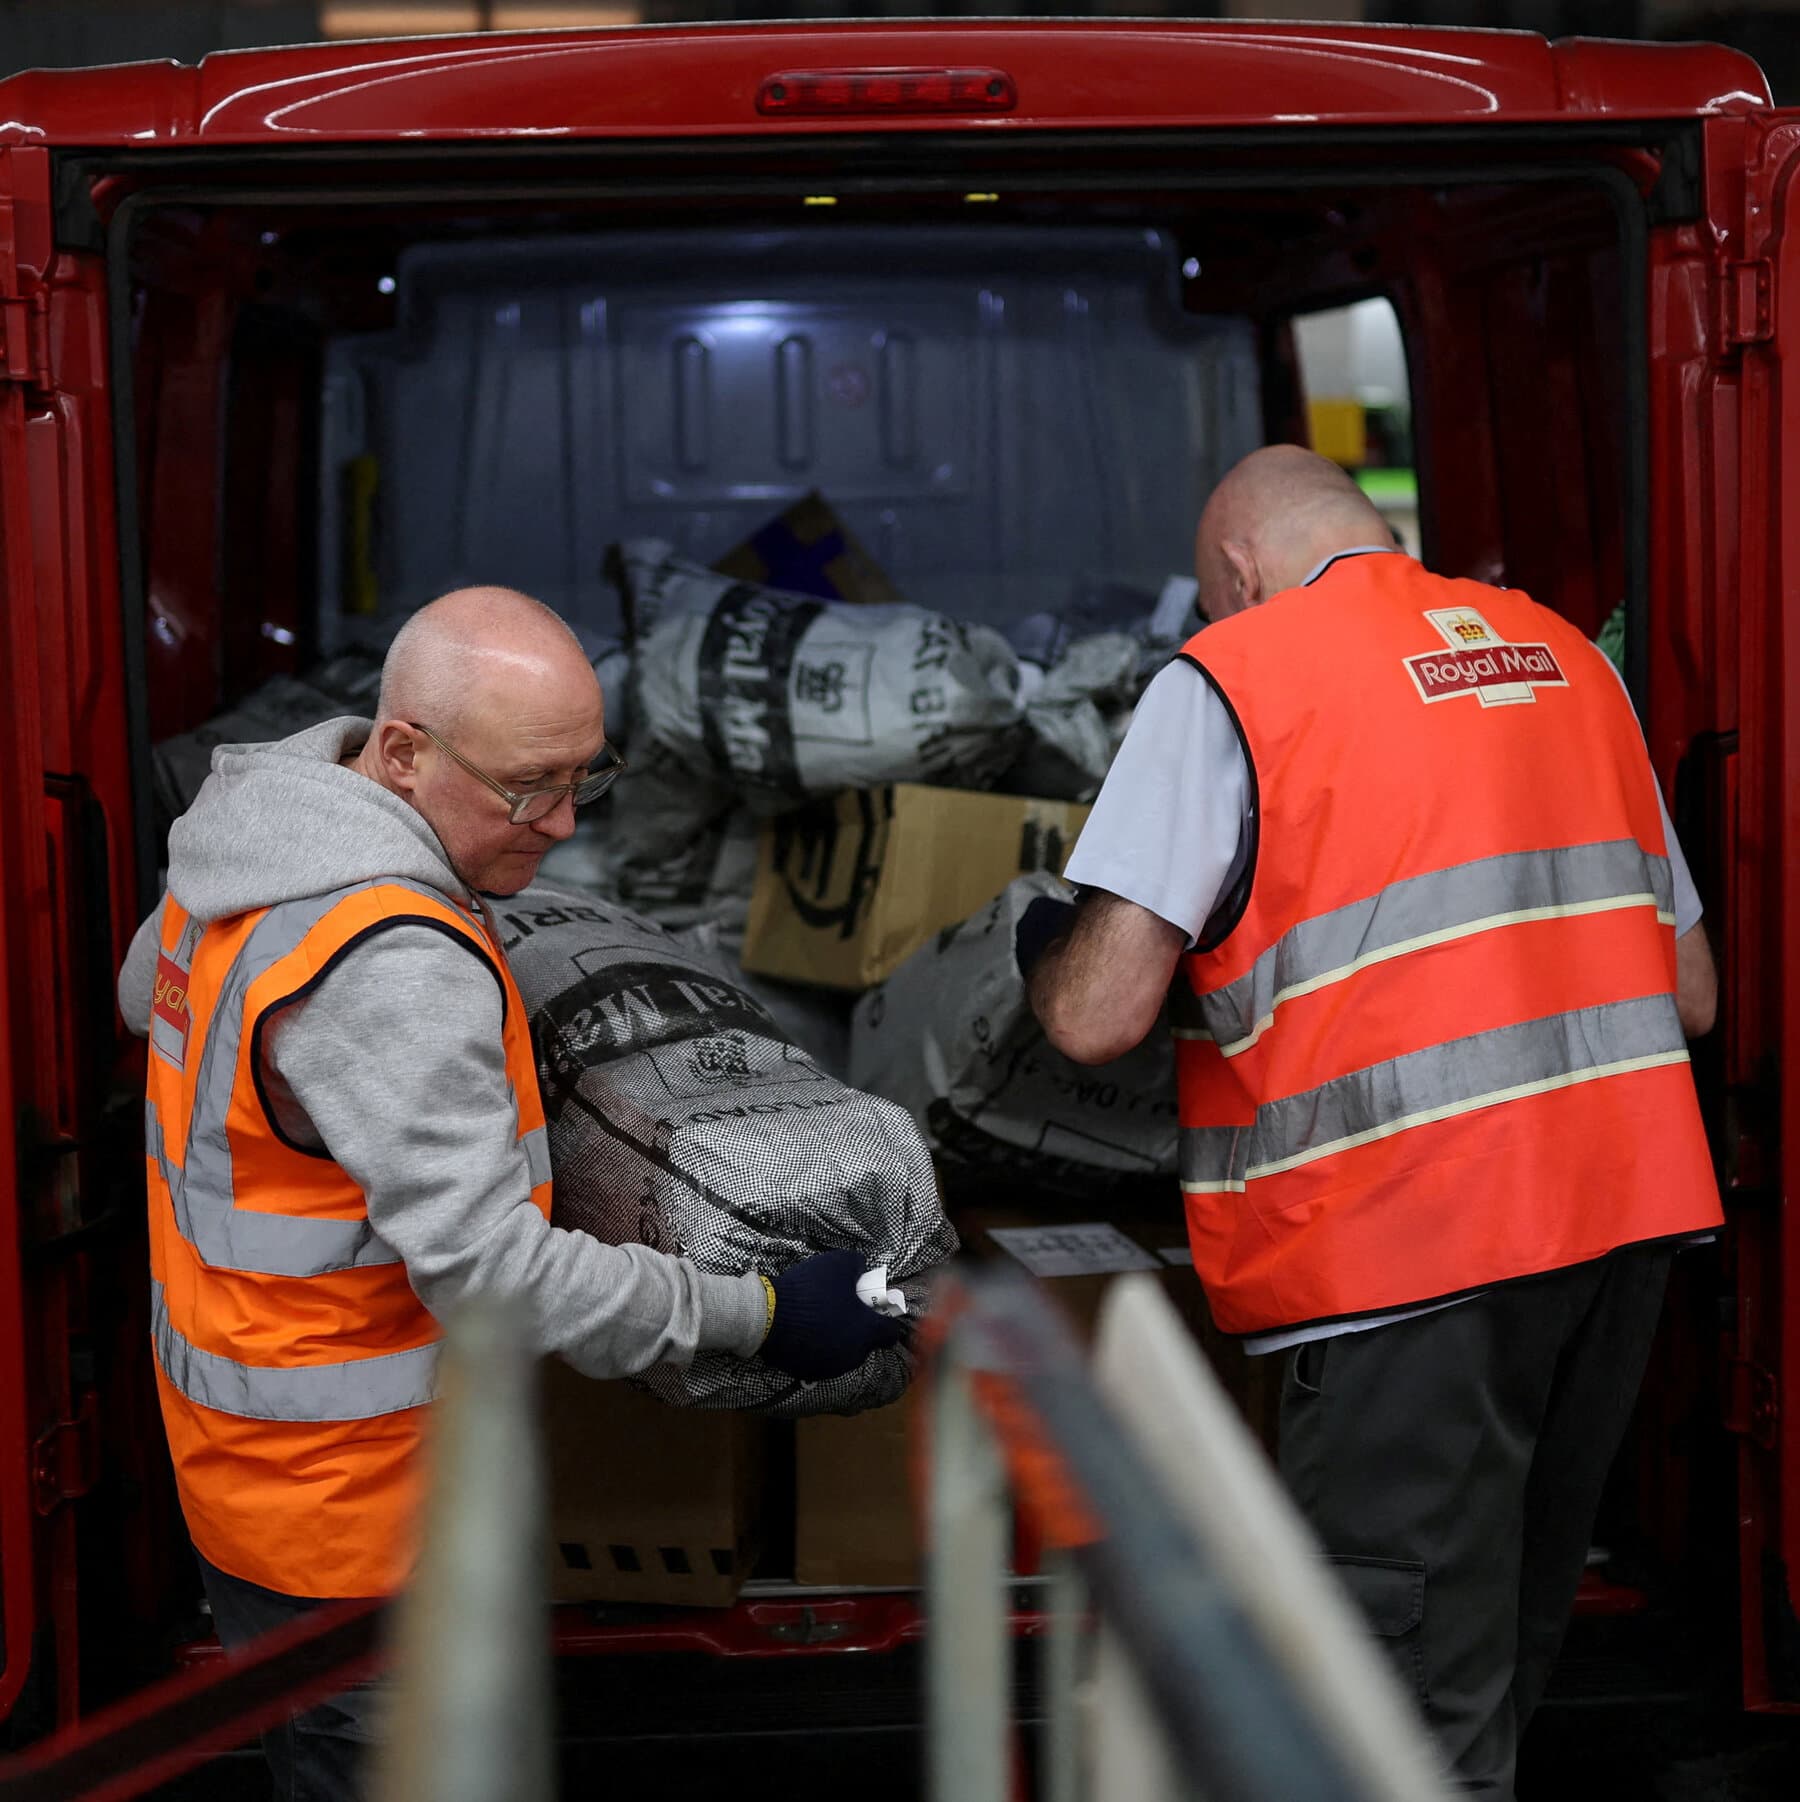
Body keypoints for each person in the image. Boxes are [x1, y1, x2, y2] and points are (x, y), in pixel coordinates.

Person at [118, 585, 900, 1801]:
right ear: (403, 750)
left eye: (587, 775)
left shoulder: (248, 845)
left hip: (248, 1475)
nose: (563, 822)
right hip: (363, 1519)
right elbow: (492, 1271)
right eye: (530, 786)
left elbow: (142, 999)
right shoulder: (387, 963)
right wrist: (759, 1312)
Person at [1025, 447, 1721, 1797]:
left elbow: (1094, 1015)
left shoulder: (1233, 677)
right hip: (1619, 1238)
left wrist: (1047, 942)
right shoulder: (1571, 661)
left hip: (1411, 1252)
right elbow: (1688, 992)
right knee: (1498, 1644)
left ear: (1233, 572)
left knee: (1381, 1698)